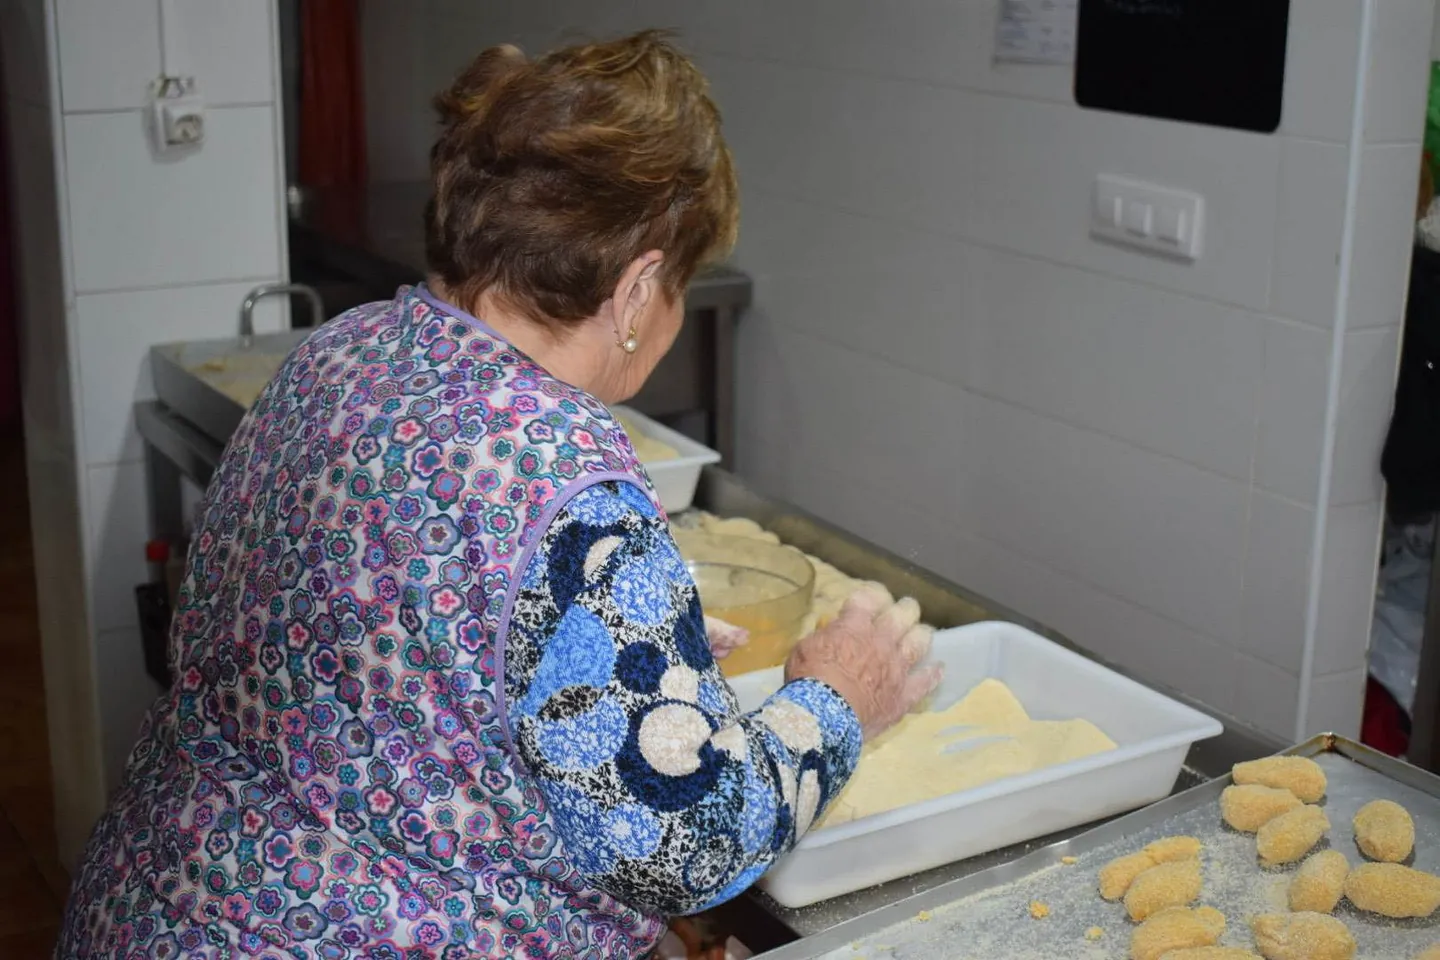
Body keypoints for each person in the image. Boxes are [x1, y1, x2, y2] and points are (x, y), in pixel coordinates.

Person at [57, 31, 940, 959]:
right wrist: (837, 699)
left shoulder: (340, 354)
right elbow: (686, 843)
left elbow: (389, 649)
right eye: (681, 281)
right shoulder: (562, 472)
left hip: (157, 906)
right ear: (639, 288)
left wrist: (617, 641)